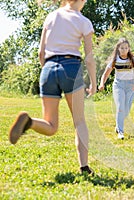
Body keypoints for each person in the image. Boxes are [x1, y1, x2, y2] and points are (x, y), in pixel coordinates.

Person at [8, 0, 97, 175]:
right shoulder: (83, 21)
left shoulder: (51, 16)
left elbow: (41, 53)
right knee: (79, 122)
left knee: (51, 125)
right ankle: (84, 167)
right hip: (71, 67)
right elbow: (89, 58)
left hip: (48, 68)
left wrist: (49, 71)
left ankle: (30, 122)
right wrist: (93, 82)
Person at [98, 38, 134, 139]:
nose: (124, 50)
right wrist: (101, 84)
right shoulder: (115, 60)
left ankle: (118, 126)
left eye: (126, 48)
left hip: (131, 85)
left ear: (129, 49)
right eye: (122, 48)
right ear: (118, 49)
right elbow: (106, 73)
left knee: (126, 110)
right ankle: (120, 132)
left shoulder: (133, 60)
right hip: (119, 85)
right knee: (120, 107)